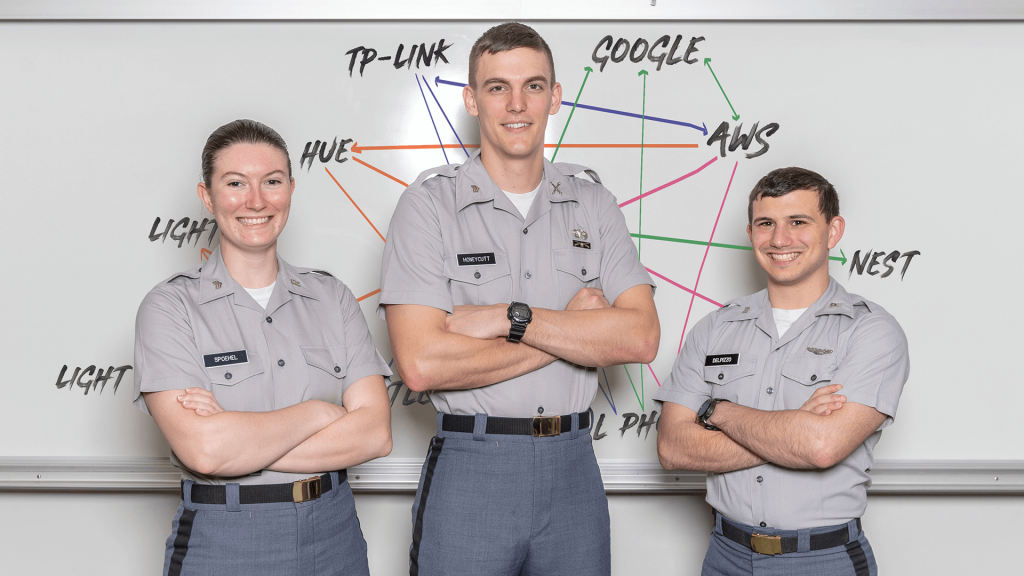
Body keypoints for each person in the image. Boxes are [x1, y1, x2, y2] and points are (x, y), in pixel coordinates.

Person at [378, 22, 660, 576]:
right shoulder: (428, 207)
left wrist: (506, 319)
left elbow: (640, 336)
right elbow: (420, 363)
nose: (516, 104)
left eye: (533, 86)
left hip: (573, 464)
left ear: (555, 97)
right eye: (496, 87)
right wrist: (567, 334)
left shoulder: (593, 203)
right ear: (471, 99)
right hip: (472, 467)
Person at [132, 119, 392, 576]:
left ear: (290, 189)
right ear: (207, 197)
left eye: (271, 182)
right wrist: (318, 413)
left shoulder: (333, 298)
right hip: (226, 537)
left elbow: (374, 434)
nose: (256, 201)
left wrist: (239, 442)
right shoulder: (170, 308)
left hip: (335, 534)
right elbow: (206, 453)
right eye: (235, 183)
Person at [654, 167, 910, 576]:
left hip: (821, 560)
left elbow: (822, 447)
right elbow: (672, 449)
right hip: (726, 556)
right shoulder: (715, 328)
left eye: (798, 222)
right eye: (766, 224)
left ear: (833, 230)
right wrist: (793, 432)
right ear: (751, 232)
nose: (779, 239)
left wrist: (716, 412)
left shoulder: (871, 331)